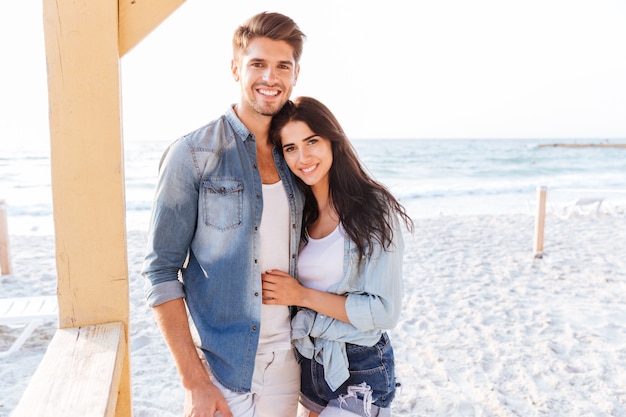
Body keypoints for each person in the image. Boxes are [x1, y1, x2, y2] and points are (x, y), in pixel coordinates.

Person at [142, 12, 306, 417]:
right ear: (236, 69)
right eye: (257, 64)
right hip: (222, 372)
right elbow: (161, 271)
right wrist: (194, 380)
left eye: (282, 66)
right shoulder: (193, 154)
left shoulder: (300, 159)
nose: (270, 77)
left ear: (296, 74)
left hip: (292, 366)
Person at [263, 97, 414, 417]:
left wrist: (301, 294)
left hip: (361, 369)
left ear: (332, 139)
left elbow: (384, 311)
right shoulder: (299, 213)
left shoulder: (374, 209)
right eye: (290, 148)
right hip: (310, 365)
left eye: (311, 141)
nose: (302, 157)